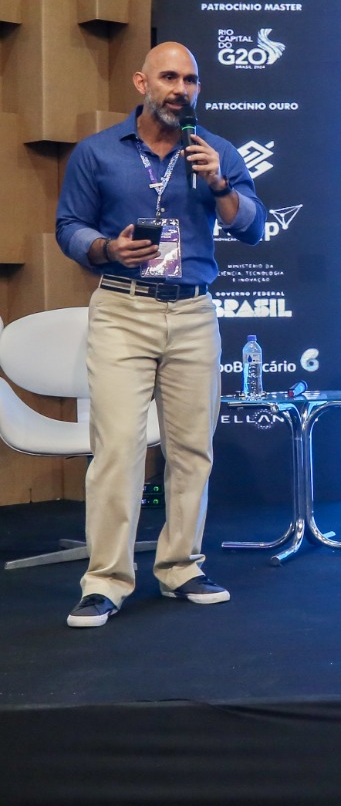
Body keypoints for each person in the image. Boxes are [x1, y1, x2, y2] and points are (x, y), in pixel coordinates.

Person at [55, 41, 265, 627]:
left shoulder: (216, 151)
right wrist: (106, 248)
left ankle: (181, 566)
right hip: (123, 308)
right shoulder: (98, 152)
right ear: (141, 83)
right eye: (169, 78)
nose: (181, 90)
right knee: (119, 447)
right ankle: (105, 581)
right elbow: (69, 226)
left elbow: (253, 226)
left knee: (192, 449)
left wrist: (219, 184)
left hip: (193, 313)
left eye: (190, 80)